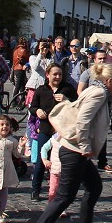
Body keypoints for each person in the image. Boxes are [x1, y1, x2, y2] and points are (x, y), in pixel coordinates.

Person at [24, 62, 112, 223]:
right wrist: (85, 147)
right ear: (109, 81)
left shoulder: (95, 89)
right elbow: (83, 120)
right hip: (74, 150)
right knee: (64, 196)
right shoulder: (99, 93)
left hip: (75, 150)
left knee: (94, 187)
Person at [27, 64, 76, 201]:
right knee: (41, 160)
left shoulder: (68, 89)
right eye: (55, 74)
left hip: (62, 131)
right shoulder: (41, 90)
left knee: (62, 162)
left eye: (60, 74)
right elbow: (33, 107)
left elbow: (77, 105)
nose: (58, 77)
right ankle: (35, 190)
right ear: (47, 75)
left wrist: (67, 100)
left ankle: (61, 191)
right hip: (46, 129)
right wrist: (37, 111)